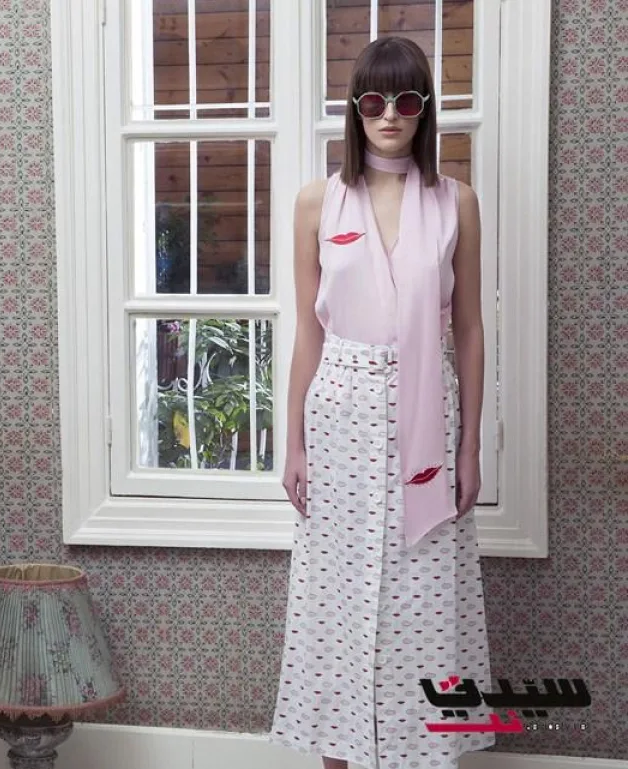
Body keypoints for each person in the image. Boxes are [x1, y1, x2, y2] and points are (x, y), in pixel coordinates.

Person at [267, 37, 496, 769]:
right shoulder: (317, 201)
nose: (389, 114)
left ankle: (423, 754)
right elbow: (309, 329)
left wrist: (469, 447)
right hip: (340, 414)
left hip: (429, 413)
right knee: (338, 596)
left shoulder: (456, 201)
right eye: (373, 99)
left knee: (423, 595)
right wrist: (293, 442)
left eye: (405, 99)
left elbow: (468, 329)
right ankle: (338, 755)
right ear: (355, 110)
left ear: (424, 110)